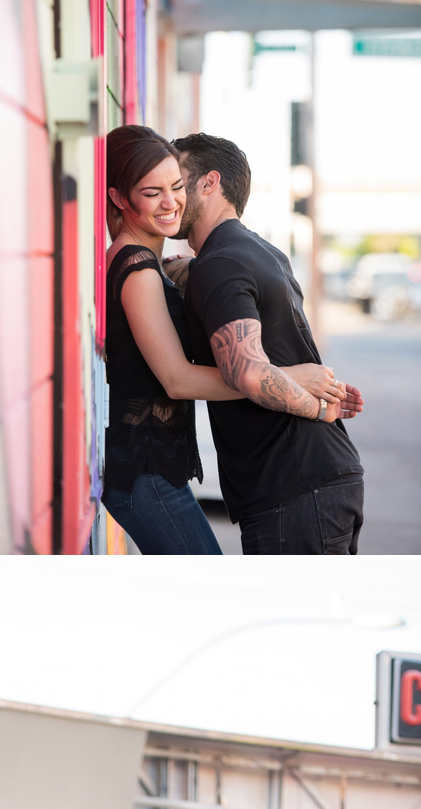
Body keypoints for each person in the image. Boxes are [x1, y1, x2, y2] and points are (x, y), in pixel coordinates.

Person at [102, 126, 355, 557]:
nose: (170, 202)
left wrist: (181, 272)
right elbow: (179, 380)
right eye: (152, 192)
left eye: (176, 187)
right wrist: (302, 387)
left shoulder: (164, 266)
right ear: (120, 198)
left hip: (166, 472)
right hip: (146, 473)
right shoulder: (142, 267)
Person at [172, 132, 365, 555]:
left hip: (293, 489)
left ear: (209, 183)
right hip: (321, 478)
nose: (169, 194)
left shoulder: (220, 263)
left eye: (176, 179)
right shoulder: (260, 252)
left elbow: (250, 374)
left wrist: (320, 407)